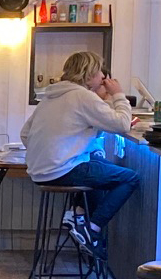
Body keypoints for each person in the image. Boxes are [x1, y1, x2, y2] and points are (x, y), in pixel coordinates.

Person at [20, 50, 139, 256]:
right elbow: (122, 124)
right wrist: (118, 94)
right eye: (99, 71)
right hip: (63, 170)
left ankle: (77, 215)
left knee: (98, 167)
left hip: (40, 172)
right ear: (89, 74)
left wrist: (47, 152)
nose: (102, 76)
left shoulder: (50, 96)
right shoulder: (82, 96)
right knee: (130, 178)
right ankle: (91, 229)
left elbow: (25, 134)